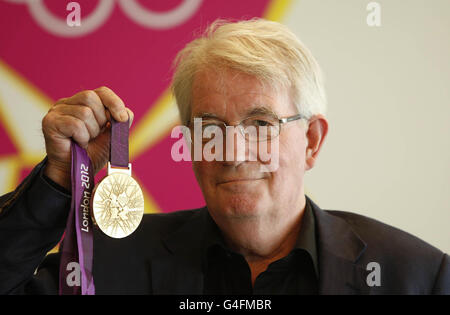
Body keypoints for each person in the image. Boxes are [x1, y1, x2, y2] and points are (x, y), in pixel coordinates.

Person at [0, 18, 448, 295]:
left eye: (259, 125)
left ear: (311, 140)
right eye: (210, 128)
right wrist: (58, 180)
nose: (233, 153)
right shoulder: (113, 258)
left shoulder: (415, 276)